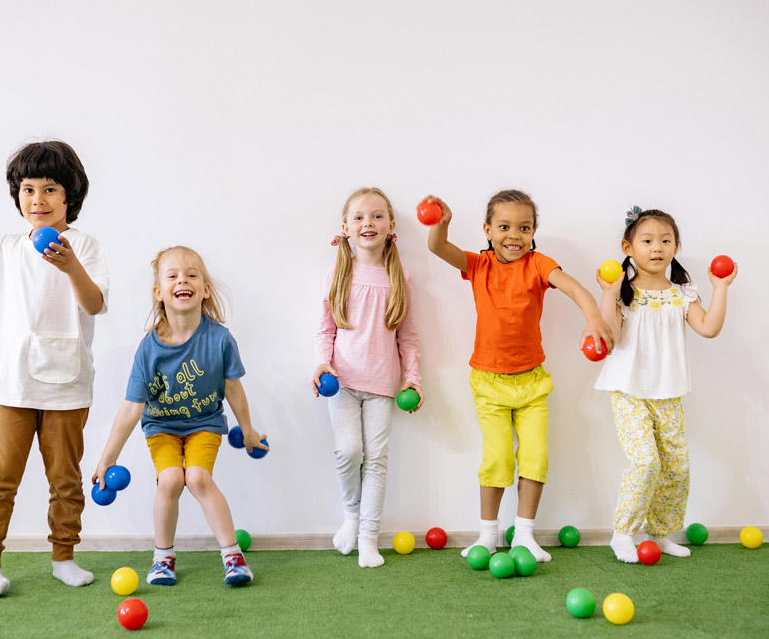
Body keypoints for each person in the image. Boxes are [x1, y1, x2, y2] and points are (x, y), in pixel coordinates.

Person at [0, 140, 109, 599]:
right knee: (0, 479)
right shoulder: (2, 249)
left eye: (51, 189)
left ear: (69, 196)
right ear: (17, 196)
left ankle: (63, 558)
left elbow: (94, 303)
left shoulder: (84, 247)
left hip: (68, 384)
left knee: (66, 479)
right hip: (11, 384)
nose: (38, 200)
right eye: (29, 189)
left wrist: (70, 264)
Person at [427, 190, 612, 563]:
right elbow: (437, 248)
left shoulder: (539, 264)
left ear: (534, 231)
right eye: (505, 226)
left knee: (535, 457)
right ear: (488, 230)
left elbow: (574, 286)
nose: (515, 235)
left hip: (531, 383)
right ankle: (488, 536)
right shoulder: (478, 265)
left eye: (524, 227)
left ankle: (525, 534)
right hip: (489, 383)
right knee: (496, 460)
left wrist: (593, 317)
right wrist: (441, 223)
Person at [94, 246, 265, 586]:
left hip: (205, 424)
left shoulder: (220, 339)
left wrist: (248, 431)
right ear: (159, 293)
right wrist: (106, 458)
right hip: (162, 427)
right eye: (172, 276)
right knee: (171, 480)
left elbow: (234, 390)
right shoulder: (150, 347)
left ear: (205, 290)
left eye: (191, 274)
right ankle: (163, 560)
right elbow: (132, 407)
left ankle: (233, 557)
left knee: (198, 478)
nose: (182, 280)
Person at [594, 207, 736, 563]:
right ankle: (623, 533)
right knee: (645, 463)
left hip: (668, 392)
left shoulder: (682, 294)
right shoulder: (625, 293)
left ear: (676, 246)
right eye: (647, 240)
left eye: (665, 240)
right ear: (628, 247)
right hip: (628, 391)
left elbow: (709, 327)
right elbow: (609, 335)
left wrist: (720, 287)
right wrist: (608, 293)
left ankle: (658, 533)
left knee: (676, 467)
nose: (656, 247)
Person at [313, 187, 422, 568]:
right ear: (345, 228)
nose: (368, 223)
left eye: (377, 216)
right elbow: (325, 330)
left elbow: (407, 337)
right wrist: (321, 364)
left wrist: (414, 379)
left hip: (382, 385)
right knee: (349, 452)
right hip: (340, 382)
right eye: (359, 217)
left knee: (376, 458)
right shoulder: (337, 273)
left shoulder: (400, 277)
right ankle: (353, 517)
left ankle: (368, 538)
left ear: (391, 226)